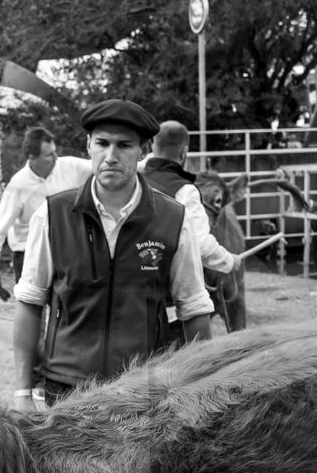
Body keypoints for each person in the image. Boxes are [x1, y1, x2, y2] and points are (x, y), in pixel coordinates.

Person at [12, 99, 213, 408]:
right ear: (88, 146)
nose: (111, 156)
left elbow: (194, 309)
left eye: (124, 146)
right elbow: (30, 301)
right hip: (67, 389)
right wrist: (23, 393)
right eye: (102, 143)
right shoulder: (53, 215)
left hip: (144, 388)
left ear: (143, 151)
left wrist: (202, 387)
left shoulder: (173, 220)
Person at [141, 119, 236, 341]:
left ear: (152, 147)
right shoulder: (184, 191)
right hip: (168, 309)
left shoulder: (133, 182)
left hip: (132, 305)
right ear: (184, 152)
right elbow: (201, 244)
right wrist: (230, 260)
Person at [0, 125, 93, 300]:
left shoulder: (69, 167)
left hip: (64, 253)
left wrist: (143, 165)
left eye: (55, 152)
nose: (56, 158)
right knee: (33, 314)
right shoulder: (18, 186)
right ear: (32, 158)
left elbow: (103, 167)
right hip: (28, 256)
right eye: (49, 155)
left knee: (67, 313)